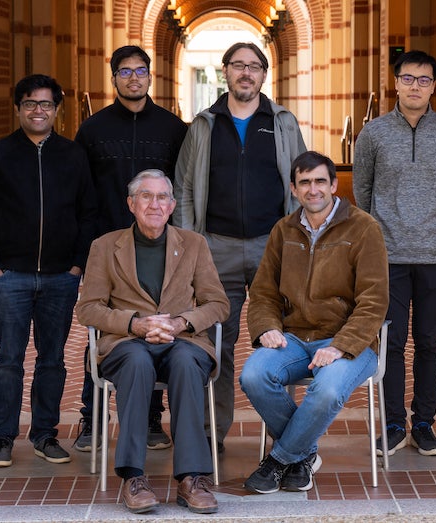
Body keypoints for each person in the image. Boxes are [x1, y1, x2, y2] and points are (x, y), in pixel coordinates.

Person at [173, 42, 307, 451]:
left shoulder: (282, 122)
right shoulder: (203, 125)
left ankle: (288, 435)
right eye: (237, 66)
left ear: (264, 74)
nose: (245, 73)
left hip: (275, 247)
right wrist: (188, 245)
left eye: (253, 66)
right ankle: (214, 432)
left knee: (283, 339)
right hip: (216, 248)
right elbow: (184, 189)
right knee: (217, 343)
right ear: (225, 72)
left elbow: (302, 183)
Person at [75, 170, 229, 514]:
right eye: (146, 196)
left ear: (172, 205)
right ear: (132, 204)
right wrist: (135, 324)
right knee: (137, 361)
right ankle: (133, 476)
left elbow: (218, 303)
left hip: (183, 341)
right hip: (126, 343)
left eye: (162, 197)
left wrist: (179, 323)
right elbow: (88, 308)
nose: (155, 204)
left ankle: (192, 478)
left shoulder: (194, 244)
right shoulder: (105, 246)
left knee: (187, 364)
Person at [239, 150, 389, 494]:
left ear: (335, 185)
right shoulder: (283, 230)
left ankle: (279, 460)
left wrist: (340, 346)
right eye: (304, 182)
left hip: (352, 341)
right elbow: (262, 292)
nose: (313, 189)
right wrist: (267, 327)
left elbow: (374, 301)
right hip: (294, 337)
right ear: (294, 189)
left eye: (320, 180)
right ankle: (304, 455)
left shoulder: (364, 228)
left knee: (329, 389)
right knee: (254, 375)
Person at [0, 74, 97, 468]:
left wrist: (77, 264)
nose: (38, 111)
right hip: (11, 276)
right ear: (18, 108)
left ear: (57, 110)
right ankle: (3, 437)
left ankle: (44, 435)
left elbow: (88, 213)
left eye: (45, 104)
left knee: (53, 359)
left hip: (61, 276)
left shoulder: (73, 155)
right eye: (30, 104)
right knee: (8, 359)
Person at [353, 50, 436, 457]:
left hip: (435, 254)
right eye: (407, 78)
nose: (414, 86)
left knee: (429, 340)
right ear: (396, 83)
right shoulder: (374, 134)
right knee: (391, 341)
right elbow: (362, 192)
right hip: (388, 256)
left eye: (423, 80)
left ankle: (423, 423)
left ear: (433, 86)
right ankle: (391, 423)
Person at [74, 45, 188, 452]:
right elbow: (81, 193)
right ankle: (92, 419)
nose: (133, 78)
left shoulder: (174, 129)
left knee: (156, 325)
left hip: (158, 246)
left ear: (150, 75)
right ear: (114, 78)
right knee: (105, 329)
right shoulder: (93, 130)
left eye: (140, 71)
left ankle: (152, 419)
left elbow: (183, 190)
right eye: (125, 72)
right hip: (107, 249)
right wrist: (83, 251)